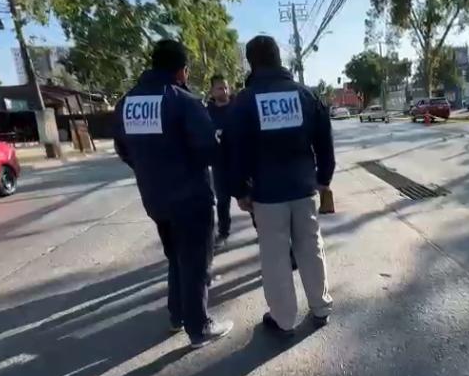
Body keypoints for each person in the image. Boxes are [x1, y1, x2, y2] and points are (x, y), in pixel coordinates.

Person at [113, 39, 233, 349]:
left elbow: (124, 150)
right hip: (191, 197)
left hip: (154, 197)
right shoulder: (183, 101)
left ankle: (177, 314)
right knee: (195, 261)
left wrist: (150, 169)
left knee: (176, 258)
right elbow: (208, 149)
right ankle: (199, 326)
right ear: (180, 71)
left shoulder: (127, 103)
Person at [228, 35, 334, 334]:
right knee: (311, 247)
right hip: (304, 187)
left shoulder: (245, 102)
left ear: (252, 63)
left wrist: (240, 190)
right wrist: (324, 178)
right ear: (279, 58)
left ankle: (284, 320)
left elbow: (233, 150)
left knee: (275, 256)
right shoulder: (305, 95)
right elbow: (325, 142)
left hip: (267, 194)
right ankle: (321, 307)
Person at [206, 74, 233, 249]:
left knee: (251, 199)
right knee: (223, 202)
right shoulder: (207, 111)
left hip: (240, 161)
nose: (223, 91)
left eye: (225, 87)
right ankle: (223, 233)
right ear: (212, 91)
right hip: (219, 164)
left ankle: (261, 231)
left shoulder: (238, 106)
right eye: (219, 88)